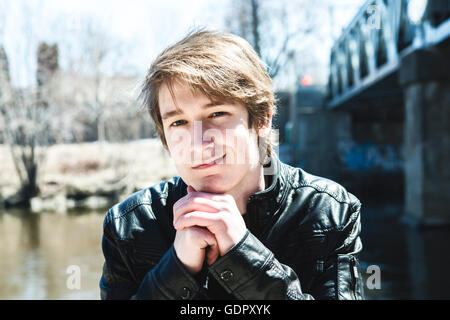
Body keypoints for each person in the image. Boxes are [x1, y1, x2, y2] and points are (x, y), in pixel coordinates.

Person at [99, 30, 364, 300]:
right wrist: (177, 268)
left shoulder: (329, 211)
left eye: (217, 114)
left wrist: (243, 254)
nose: (198, 143)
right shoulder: (129, 226)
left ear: (262, 120)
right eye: (178, 122)